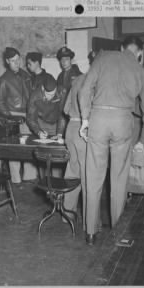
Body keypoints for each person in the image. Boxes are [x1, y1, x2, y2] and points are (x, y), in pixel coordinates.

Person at [79, 36, 144, 245]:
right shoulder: (141, 71)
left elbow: (85, 90)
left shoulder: (102, 58)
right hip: (123, 121)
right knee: (119, 180)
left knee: (93, 176)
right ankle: (117, 231)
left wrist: (85, 120)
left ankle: (91, 232)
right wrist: (142, 139)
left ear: (122, 48)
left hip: (98, 119)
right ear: (140, 52)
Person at [63, 51, 100, 230]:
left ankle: (66, 215)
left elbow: (65, 108)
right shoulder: (97, 82)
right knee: (89, 177)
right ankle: (89, 223)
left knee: (72, 171)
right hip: (84, 132)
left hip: (70, 129)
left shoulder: (77, 79)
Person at [0, 47, 37, 184]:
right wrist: (12, 118)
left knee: (30, 146)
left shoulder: (26, 76)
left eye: (18, 60)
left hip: (28, 116)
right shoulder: (3, 80)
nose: (16, 63)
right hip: (13, 117)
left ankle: (30, 178)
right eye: (13, 61)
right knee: (14, 150)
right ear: (7, 61)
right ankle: (16, 180)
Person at [26, 73, 65, 140]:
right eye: (48, 94)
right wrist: (38, 131)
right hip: (40, 123)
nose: (50, 97)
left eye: (53, 94)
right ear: (43, 88)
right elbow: (31, 118)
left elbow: (63, 115)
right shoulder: (34, 96)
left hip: (56, 124)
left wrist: (59, 133)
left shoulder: (61, 92)